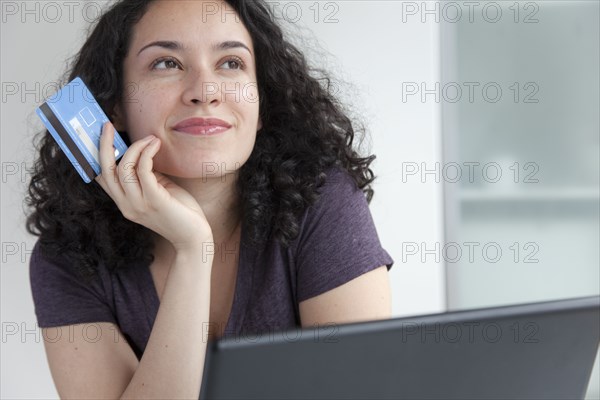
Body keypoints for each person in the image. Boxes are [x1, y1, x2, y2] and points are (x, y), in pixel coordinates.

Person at [26, 0, 394, 398]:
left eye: (231, 63)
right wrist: (193, 249)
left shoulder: (323, 205)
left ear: (262, 103)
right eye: (166, 63)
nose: (205, 91)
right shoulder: (67, 259)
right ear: (114, 108)